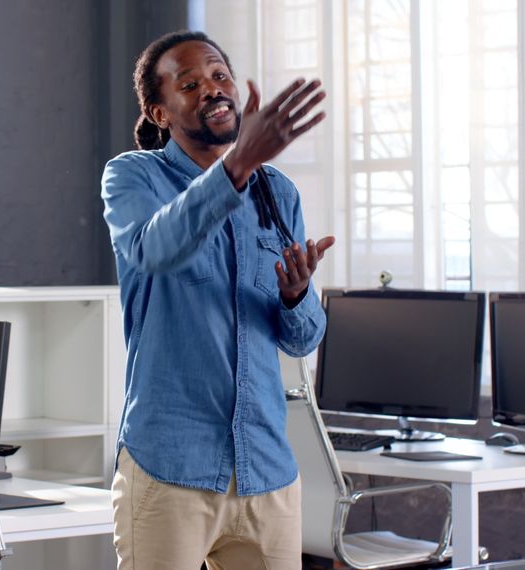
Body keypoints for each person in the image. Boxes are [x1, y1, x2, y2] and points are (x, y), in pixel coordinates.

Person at [100, 30, 335, 570]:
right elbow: (155, 248)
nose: (211, 88)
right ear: (160, 114)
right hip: (169, 470)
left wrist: (296, 295)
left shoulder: (277, 192)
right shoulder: (134, 176)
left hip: (267, 473)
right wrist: (236, 167)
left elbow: (303, 338)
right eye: (189, 83)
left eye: (219, 75)